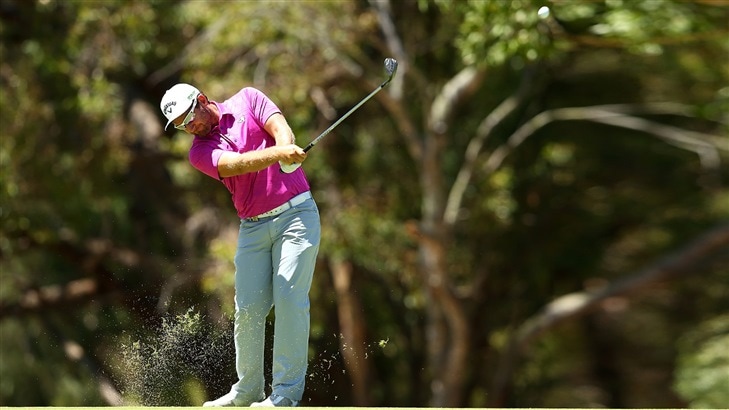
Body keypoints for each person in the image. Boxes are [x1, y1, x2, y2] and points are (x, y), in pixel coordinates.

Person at [160, 83, 321, 407]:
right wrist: (279, 154)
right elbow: (239, 164)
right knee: (248, 308)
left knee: (289, 298)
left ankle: (285, 395)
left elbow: (280, 127)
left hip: (296, 215)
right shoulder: (199, 152)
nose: (189, 128)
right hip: (253, 227)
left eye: (189, 118)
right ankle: (247, 389)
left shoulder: (248, 99)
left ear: (201, 100)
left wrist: (286, 148)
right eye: (180, 125)